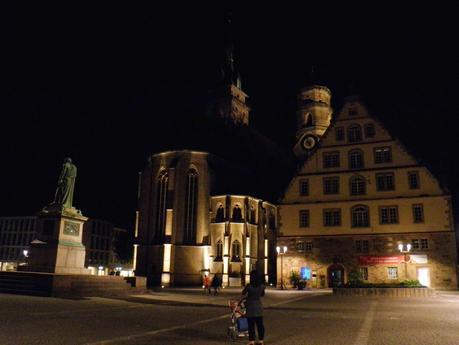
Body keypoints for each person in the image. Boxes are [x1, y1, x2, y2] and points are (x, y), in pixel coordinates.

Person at [242, 270, 265, 345]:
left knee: (251, 325)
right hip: (258, 306)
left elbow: (243, 292)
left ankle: (252, 341)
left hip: (250, 306)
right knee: (260, 325)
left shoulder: (249, 285)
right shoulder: (262, 286)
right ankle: (261, 340)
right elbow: (262, 294)